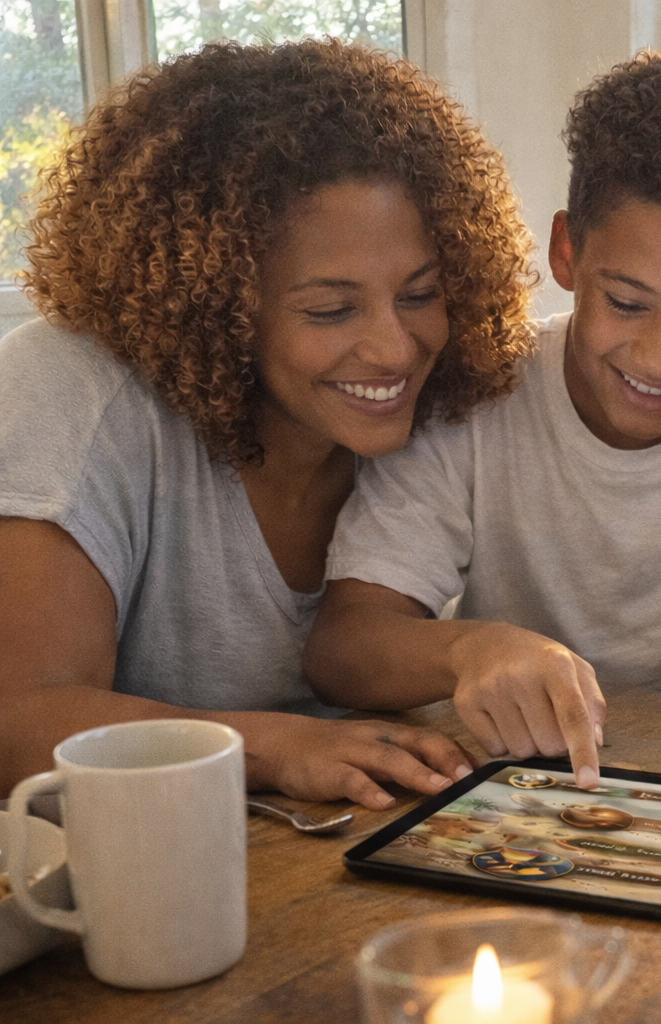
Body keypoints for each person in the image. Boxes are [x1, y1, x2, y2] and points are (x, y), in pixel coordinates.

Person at [305, 51, 661, 799]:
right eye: (627, 303)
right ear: (567, 253)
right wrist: (470, 649)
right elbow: (342, 644)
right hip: (511, 785)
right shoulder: (482, 387)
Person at [0, 40, 539, 808]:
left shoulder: (450, 400)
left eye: (420, 294)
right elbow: (19, 719)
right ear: (213, 304)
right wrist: (277, 747)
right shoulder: (70, 388)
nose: (395, 349)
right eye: (330, 309)